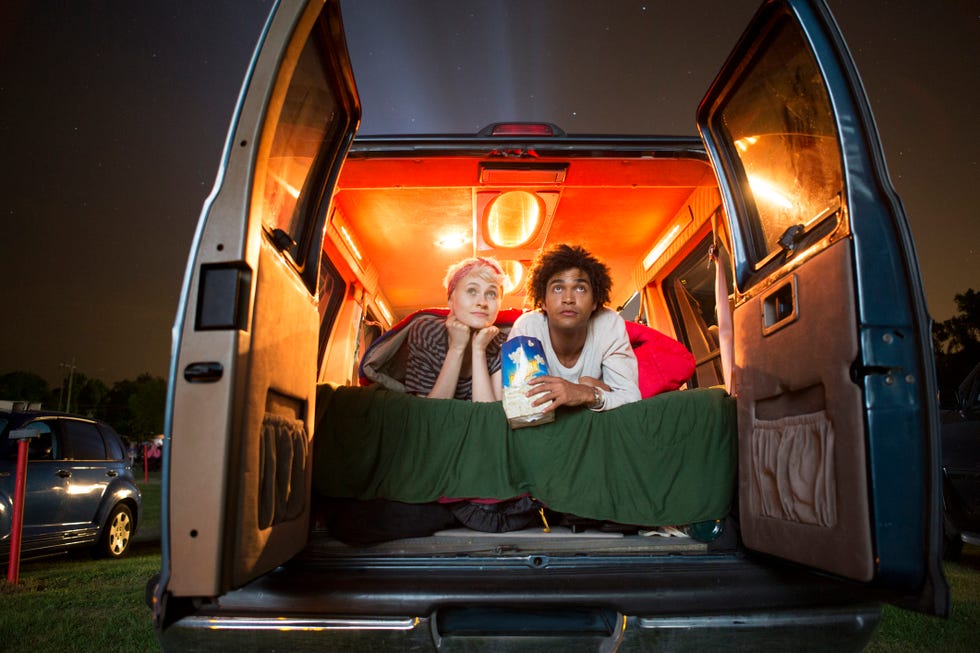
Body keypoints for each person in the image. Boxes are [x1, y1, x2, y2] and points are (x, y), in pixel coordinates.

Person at [508, 243, 641, 412]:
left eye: (580, 288)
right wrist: (599, 388)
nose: (568, 299)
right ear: (542, 301)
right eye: (557, 288)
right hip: (547, 427)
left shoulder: (608, 323)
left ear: (595, 302)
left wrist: (588, 393)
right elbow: (520, 404)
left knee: (587, 382)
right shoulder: (527, 328)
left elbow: (631, 398)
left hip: (595, 425)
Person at [404, 257, 507, 402]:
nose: (482, 303)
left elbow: (489, 416)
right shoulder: (426, 332)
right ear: (451, 300)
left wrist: (479, 350)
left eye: (491, 294)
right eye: (472, 291)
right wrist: (457, 347)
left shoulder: (503, 343)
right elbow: (430, 414)